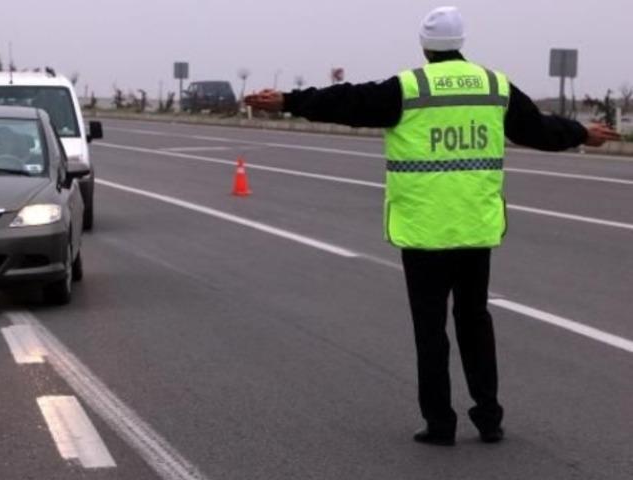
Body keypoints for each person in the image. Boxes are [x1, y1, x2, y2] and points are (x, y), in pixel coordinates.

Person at [245, 6, 620, 446]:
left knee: (431, 330)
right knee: (475, 321)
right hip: (474, 228)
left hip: (424, 231)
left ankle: (440, 424)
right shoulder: (493, 86)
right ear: (461, 43)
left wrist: (289, 101)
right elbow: (537, 129)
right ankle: (489, 418)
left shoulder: (408, 87)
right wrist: (581, 133)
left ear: (425, 46)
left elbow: (348, 101)